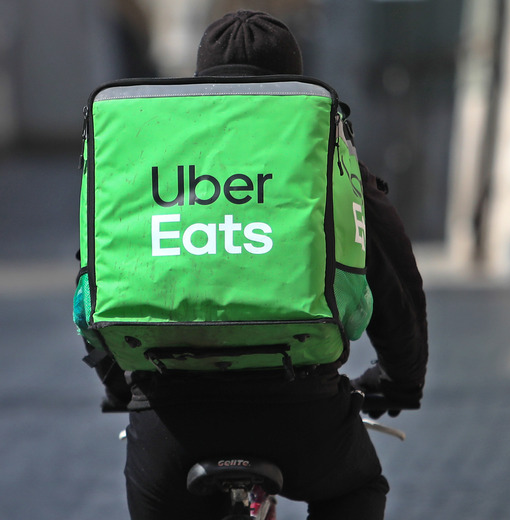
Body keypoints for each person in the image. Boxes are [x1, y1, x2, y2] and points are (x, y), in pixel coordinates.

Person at [84, 10, 428, 520]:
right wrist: (400, 379)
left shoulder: (143, 159)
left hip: (170, 425)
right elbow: (390, 282)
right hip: (303, 415)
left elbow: (95, 289)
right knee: (355, 487)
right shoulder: (324, 160)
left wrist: (120, 383)